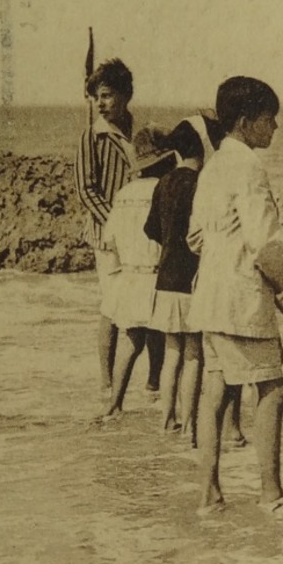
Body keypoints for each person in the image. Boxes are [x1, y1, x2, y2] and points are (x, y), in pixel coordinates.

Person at [187, 76, 283, 514]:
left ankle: (210, 495)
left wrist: (222, 255)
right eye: (270, 120)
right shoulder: (248, 166)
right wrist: (280, 279)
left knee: (218, 391)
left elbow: (194, 238)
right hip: (241, 299)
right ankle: (272, 496)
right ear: (246, 123)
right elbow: (265, 241)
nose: (276, 128)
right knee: (273, 391)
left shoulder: (213, 167)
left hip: (209, 296)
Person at [74, 58, 164, 398]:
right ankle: (107, 383)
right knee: (113, 308)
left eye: (108, 95)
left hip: (141, 237)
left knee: (151, 304)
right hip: (107, 239)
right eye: (97, 97)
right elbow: (85, 190)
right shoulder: (91, 137)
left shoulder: (140, 134)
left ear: (127, 95)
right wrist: (117, 224)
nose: (101, 103)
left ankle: (154, 383)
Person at [100, 127, 172, 417]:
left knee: (131, 340)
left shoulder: (124, 193)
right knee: (167, 340)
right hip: (156, 275)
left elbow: (110, 241)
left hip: (129, 276)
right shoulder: (164, 189)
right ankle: (165, 403)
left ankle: (115, 402)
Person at [145, 119, 207, 439]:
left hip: (165, 279)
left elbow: (152, 230)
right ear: (202, 149)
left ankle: (166, 421)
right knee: (194, 354)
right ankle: (190, 425)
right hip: (193, 279)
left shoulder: (164, 182)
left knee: (171, 354)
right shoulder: (202, 184)